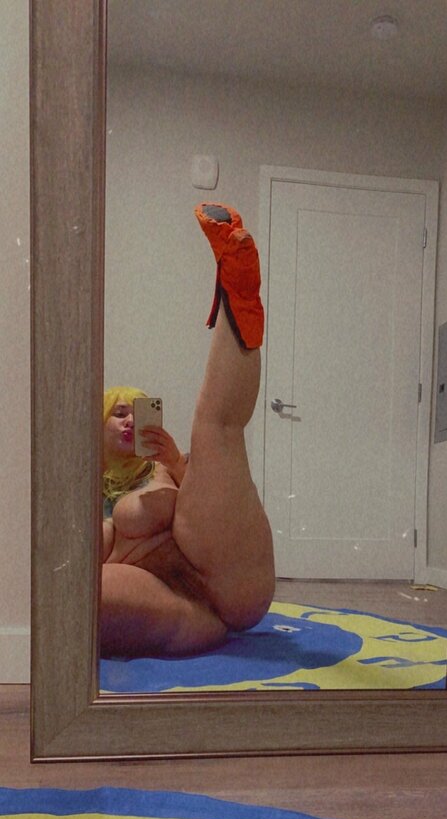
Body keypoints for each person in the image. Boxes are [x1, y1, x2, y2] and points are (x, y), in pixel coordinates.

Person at [101, 203, 275, 658]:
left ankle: (235, 288)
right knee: (79, 594)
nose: (130, 421)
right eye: (118, 414)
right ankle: (200, 626)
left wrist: (175, 462)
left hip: (225, 570)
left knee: (215, 430)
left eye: (137, 413)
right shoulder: (85, 486)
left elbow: (209, 497)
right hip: (163, 595)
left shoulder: (160, 466)